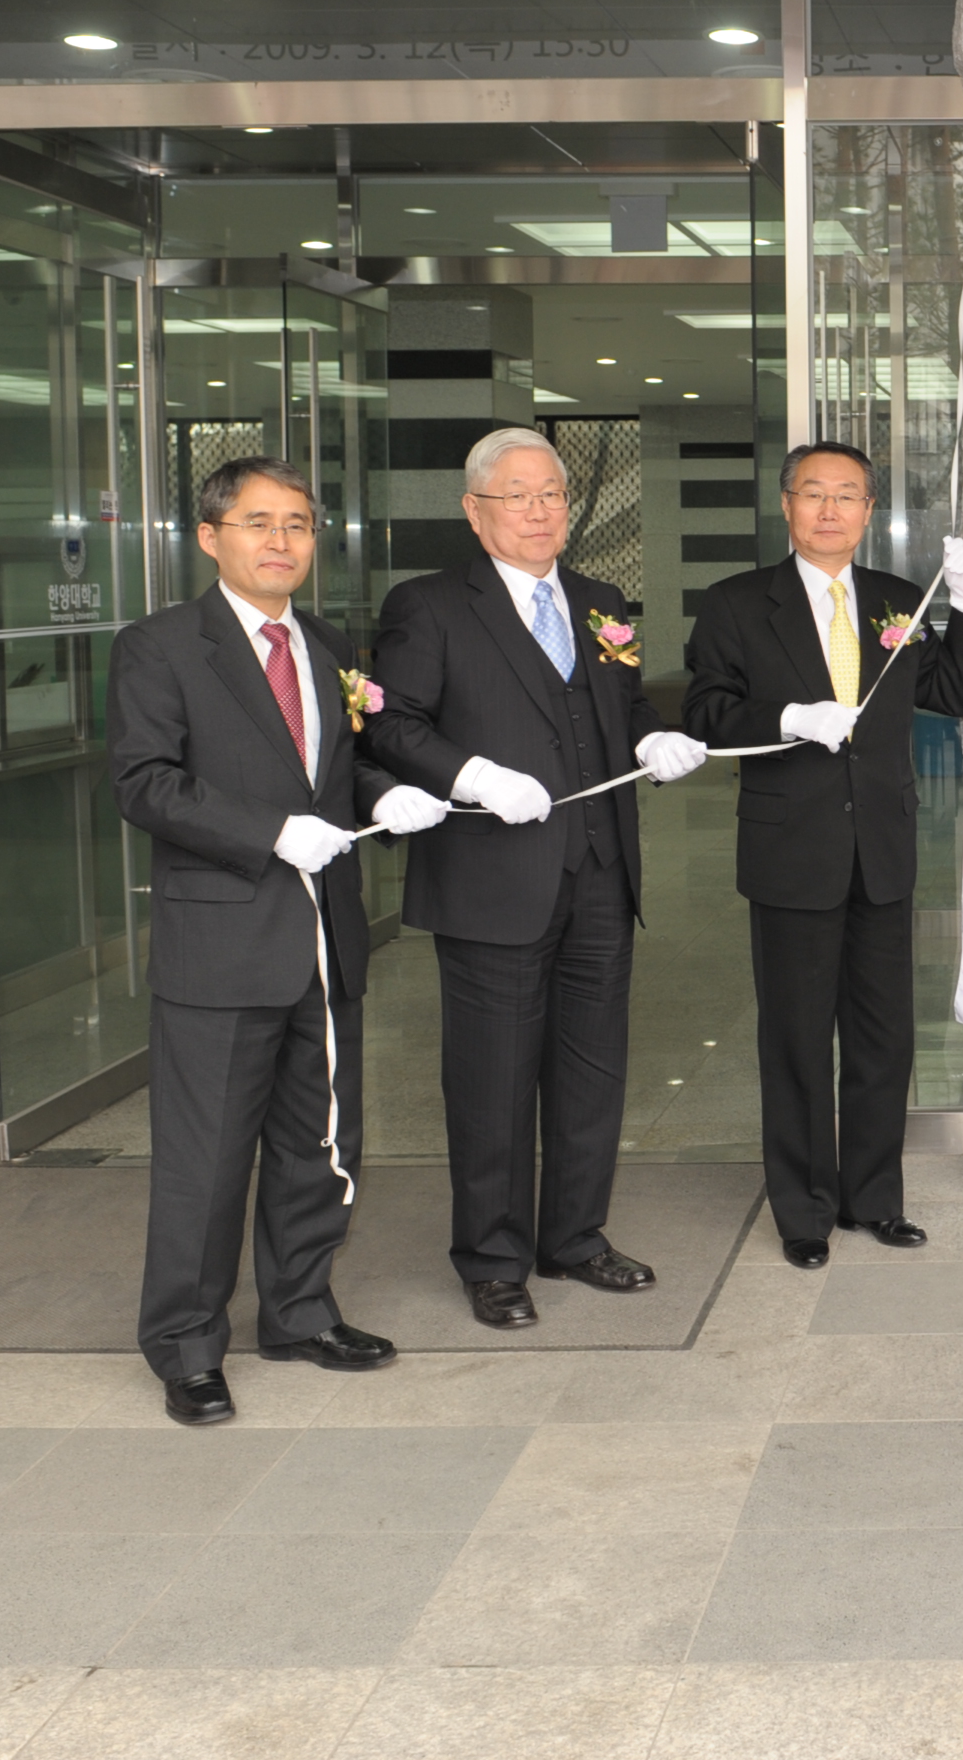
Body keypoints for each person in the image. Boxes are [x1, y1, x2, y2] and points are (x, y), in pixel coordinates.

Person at [110, 457, 450, 1425]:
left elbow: (334, 777)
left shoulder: (330, 645)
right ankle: (186, 1346)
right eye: (258, 522)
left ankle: (300, 1311)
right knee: (206, 1161)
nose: (280, 541)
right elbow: (143, 781)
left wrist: (390, 795)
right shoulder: (160, 646)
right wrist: (268, 833)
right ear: (209, 536)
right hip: (221, 948)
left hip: (323, 938)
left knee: (319, 1142)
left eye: (297, 523)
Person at [364, 427, 709, 1330]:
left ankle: (576, 1237)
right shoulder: (430, 604)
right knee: (494, 1080)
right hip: (492, 879)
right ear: (475, 512)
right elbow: (391, 724)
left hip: (600, 870)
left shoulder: (599, 600)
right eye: (517, 496)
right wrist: (473, 776)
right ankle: (492, 1259)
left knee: (593, 1070)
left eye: (552, 493)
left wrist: (651, 737)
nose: (540, 510)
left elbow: (620, 704)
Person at [683, 442, 963, 1268]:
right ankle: (803, 1210)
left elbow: (950, 693)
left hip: (882, 850)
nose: (830, 510)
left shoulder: (895, 599)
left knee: (882, 1037)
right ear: (786, 505)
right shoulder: (737, 603)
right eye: (814, 493)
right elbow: (707, 713)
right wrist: (787, 718)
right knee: (795, 1040)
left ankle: (875, 1198)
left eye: (848, 495)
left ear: (868, 511)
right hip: (791, 851)